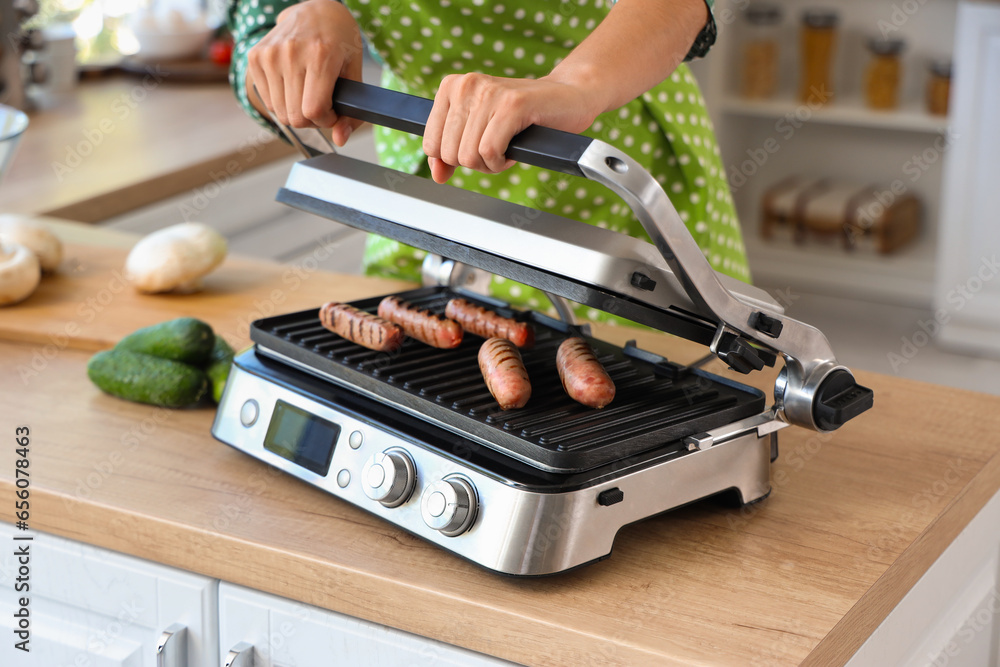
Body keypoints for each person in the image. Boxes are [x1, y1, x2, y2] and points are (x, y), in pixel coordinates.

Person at [227, 0, 749, 322]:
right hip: (429, 162)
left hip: (601, 154)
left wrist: (571, 86)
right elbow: (256, 46)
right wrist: (302, 18)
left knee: (652, 375)